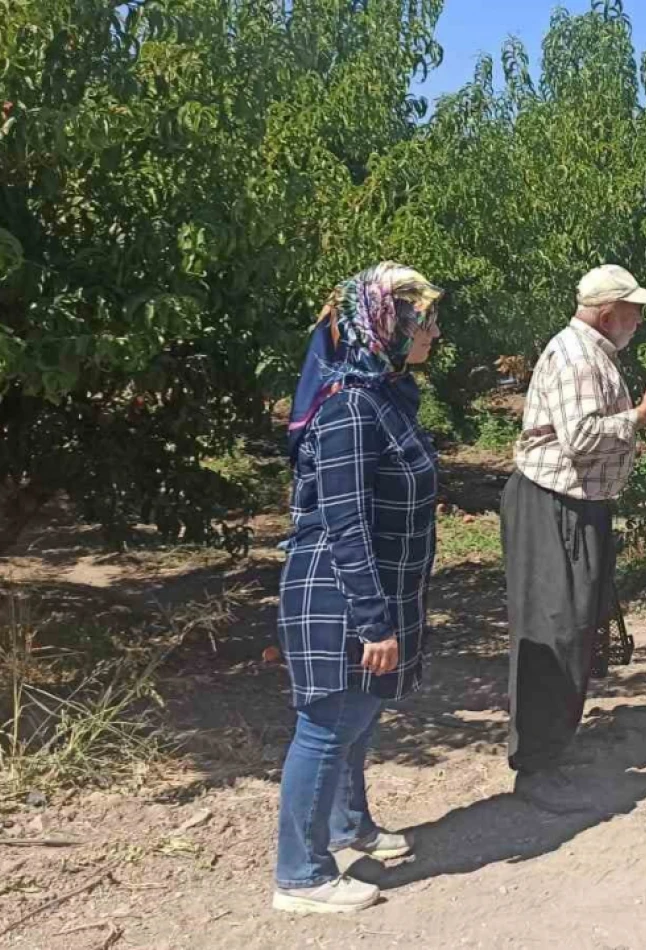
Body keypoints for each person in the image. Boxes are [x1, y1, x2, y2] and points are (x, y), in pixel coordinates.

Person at [272, 263, 445, 913]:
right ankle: (301, 875)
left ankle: (349, 827)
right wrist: (373, 621)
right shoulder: (348, 407)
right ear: (386, 324)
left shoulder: (385, 395)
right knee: (327, 724)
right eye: (424, 319)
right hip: (339, 592)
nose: (434, 331)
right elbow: (344, 520)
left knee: (360, 713)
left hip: (376, 589)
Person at [503, 264, 646, 814]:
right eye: (633, 311)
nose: (639, 321)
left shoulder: (592, 353)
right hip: (553, 504)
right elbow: (580, 439)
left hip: (573, 504)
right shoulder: (580, 357)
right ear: (608, 313)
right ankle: (536, 765)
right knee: (553, 628)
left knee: (574, 626)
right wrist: (638, 418)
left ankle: (550, 750)